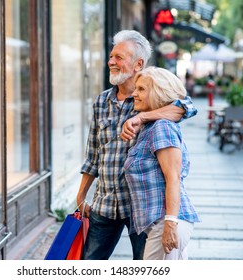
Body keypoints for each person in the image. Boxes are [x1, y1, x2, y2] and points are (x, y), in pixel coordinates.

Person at [76, 30, 197, 260]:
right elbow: (93, 155)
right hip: (106, 202)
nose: (111, 61)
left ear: (138, 64)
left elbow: (188, 107)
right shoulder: (102, 101)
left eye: (119, 57)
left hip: (141, 208)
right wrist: (82, 194)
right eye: (111, 56)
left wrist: (142, 117)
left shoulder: (151, 99)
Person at [124, 66, 201, 260]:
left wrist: (170, 223)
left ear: (158, 94)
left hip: (166, 222)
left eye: (141, 89)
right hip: (160, 224)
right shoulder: (149, 127)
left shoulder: (162, 128)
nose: (134, 93)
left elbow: (173, 178)